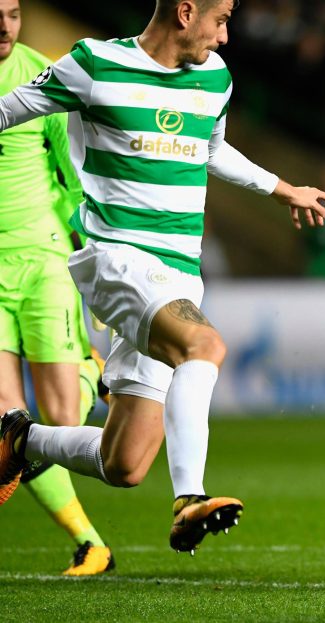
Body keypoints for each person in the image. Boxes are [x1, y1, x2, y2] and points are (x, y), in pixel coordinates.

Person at [0, 0, 325, 556]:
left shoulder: (214, 77)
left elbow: (211, 149)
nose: (226, 36)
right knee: (205, 344)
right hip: (118, 261)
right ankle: (188, 500)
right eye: (221, 19)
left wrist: (283, 188)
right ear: (185, 12)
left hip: (180, 273)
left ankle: (18, 438)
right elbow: (7, 111)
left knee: (124, 461)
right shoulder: (93, 65)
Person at [0, 0, 115, 575]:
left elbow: (74, 181)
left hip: (43, 258)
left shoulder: (37, 76)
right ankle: (91, 544)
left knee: (63, 425)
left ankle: (95, 374)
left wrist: (89, 263)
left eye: (14, 14)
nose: (4, 26)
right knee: (8, 423)